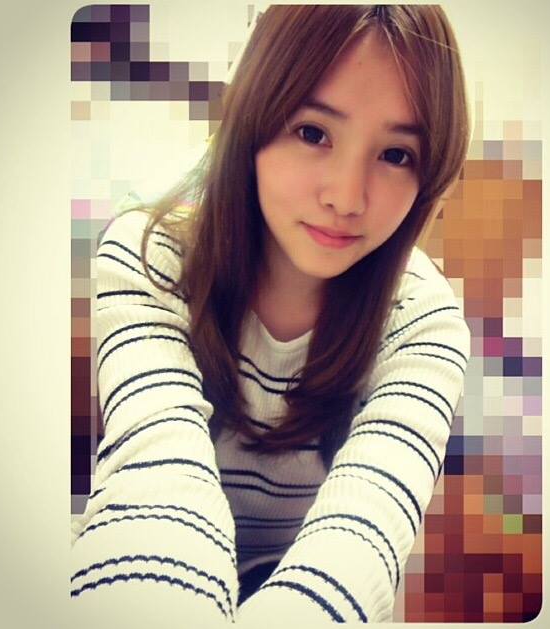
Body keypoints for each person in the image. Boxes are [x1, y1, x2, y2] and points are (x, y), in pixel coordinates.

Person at [71, 4, 470, 623]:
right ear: (253, 120)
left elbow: (362, 538)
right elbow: (157, 482)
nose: (346, 196)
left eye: (396, 155)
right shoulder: (149, 257)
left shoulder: (423, 322)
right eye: (313, 132)